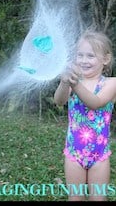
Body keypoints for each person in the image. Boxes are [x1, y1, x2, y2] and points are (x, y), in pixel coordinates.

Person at [54, 30, 116, 201]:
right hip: (74, 154)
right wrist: (64, 82)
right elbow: (59, 101)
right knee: (75, 197)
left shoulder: (111, 83)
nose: (83, 60)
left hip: (99, 157)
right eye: (79, 55)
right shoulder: (73, 82)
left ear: (105, 59)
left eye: (90, 56)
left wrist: (74, 83)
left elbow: (95, 102)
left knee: (98, 198)